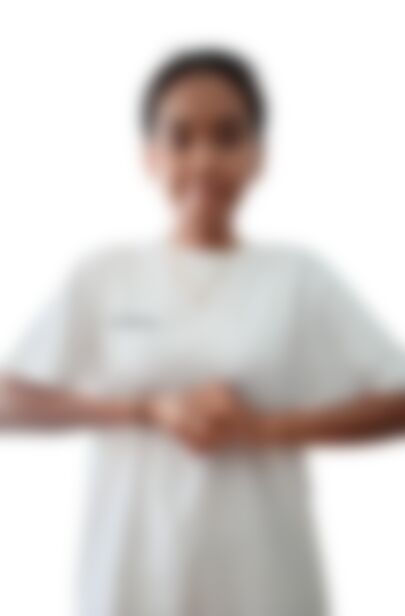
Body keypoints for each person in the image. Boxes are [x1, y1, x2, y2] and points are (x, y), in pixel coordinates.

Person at [1, 48, 405, 616]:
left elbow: (397, 398)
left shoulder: (297, 277)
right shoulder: (106, 275)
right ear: (150, 156)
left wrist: (260, 428)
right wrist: (147, 410)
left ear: (258, 156)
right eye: (181, 137)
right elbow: (9, 400)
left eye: (228, 136)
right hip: (133, 575)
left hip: (263, 580)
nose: (205, 158)